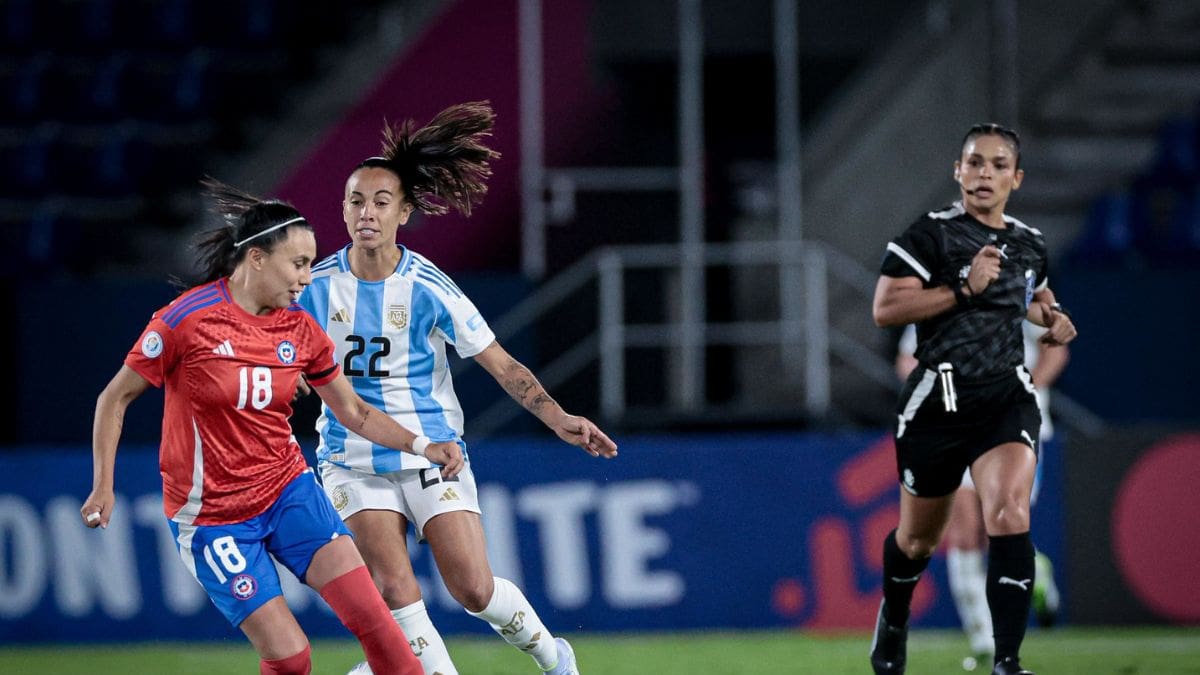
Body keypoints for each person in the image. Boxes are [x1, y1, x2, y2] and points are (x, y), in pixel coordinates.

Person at [81, 179, 468, 675]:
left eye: (311, 264)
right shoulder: (188, 320)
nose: (307, 278)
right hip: (214, 518)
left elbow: (355, 412)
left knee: (375, 617)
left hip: (288, 491)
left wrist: (423, 445)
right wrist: (103, 486)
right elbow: (114, 398)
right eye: (298, 263)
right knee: (291, 658)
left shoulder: (301, 329)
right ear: (257, 258)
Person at [297, 101, 618, 675]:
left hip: (433, 452)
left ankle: (554, 657)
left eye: (380, 201)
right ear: (342, 211)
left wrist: (559, 418)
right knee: (397, 590)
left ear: (404, 213)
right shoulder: (313, 289)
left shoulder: (428, 288)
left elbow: (501, 365)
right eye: (355, 200)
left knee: (473, 589)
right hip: (352, 460)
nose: (365, 212)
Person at [869, 123, 1077, 675]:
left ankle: (1006, 661)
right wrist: (963, 287)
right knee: (917, 541)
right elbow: (886, 310)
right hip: (937, 403)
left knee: (1007, 512)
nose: (985, 173)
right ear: (957, 171)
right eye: (975, 162)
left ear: (1016, 177)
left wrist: (1053, 319)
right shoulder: (927, 236)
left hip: (1005, 397)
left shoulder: (1029, 242)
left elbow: (1032, 293)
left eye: (997, 164)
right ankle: (894, 620)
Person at [895, 321, 1067, 671]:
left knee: (1000, 528)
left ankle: (1037, 572)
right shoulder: (940, 296)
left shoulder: (1017, 289)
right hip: (954, 424)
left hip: (1012, 427)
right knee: (961, 530)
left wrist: (1024, 389)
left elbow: (1056, 349)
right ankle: (984, 641)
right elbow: (906, 360)